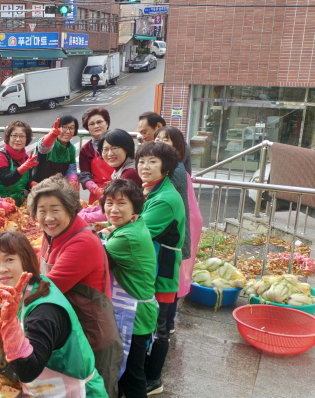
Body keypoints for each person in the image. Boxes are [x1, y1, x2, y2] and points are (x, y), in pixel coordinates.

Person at [0, 232, 108, 398]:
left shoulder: (45, 311)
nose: (1, 269)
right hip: (47, 389)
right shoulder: (31, 286)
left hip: (75, 392)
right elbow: (26, 332)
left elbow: (28, 370)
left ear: (26, 261)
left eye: (9, 259)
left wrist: (9, 323)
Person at [28, 175, 122, 398]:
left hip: (92, 338)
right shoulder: (52, 234)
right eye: (41, 210)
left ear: (70, 209)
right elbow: (39, 264)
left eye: (55, 209)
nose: (48, 217)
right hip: (70, 335)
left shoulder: (83, 242)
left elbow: (46, 287)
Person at [98, 179, 158, 398]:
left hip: (135, 315)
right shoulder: (134, 224)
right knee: (130, 372)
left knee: (132, 376)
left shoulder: (127, 237)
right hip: (140, 310)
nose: (114, 209)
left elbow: (94, 260)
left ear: (134, 207)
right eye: (109, 203)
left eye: (121, 203)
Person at [135, 142, 185, 396]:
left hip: (162, 269)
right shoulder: (153, 190)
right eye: (142, 160)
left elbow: (138, 232)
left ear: (165, 167)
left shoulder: (165, 199)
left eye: (152, 161)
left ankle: (154, 379)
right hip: (154, 265)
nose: (145, 166)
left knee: (159, 327)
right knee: (155, 322)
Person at [154, 126, 203, 334]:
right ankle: (167, 323)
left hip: (171, 237)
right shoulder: (175, 167)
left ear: (177, 145)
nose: (160, 141)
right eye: (158, 138)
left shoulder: (174, 170)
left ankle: (167, 325)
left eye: (166, 139)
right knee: (169, 280)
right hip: (174, 235)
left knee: (168, 281)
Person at [78, 129, 142, 223]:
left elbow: (111, 212)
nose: (110, 154)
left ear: (126, 149)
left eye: (115, 148)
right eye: (105, 149)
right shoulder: (120, 169)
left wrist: (78, 217)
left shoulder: (129, 173)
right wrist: (85, 211)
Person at [0, 120, 39, 206]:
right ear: (8, 137)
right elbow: (6, 180)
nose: (18, 139)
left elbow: (25, 182)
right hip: (0, 204)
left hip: (19, 204)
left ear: (26, 139)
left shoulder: (25, 157)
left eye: (22, 136)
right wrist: (23, 168)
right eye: (14, 136)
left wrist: (33, 185)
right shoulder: (0, 156)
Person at [31, 116, 79, 187]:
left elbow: (71, 169)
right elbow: (43, 148)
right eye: (64, 127)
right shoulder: (48, 142)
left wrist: (72, 180)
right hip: (39, 186)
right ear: (57, 128)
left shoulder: (71, 149)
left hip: (57, 189)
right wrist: (51, 136)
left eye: (71, 128)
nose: (68, 131)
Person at [79, 107, 114, 204]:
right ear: (88, 128)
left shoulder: (118, 142)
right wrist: (96, 190)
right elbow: (85, 176)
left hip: (119, 191)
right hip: (97, 197)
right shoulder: (85, 150)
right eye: (91, 124)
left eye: (99, 122)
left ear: (106, 123)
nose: (96, 126)